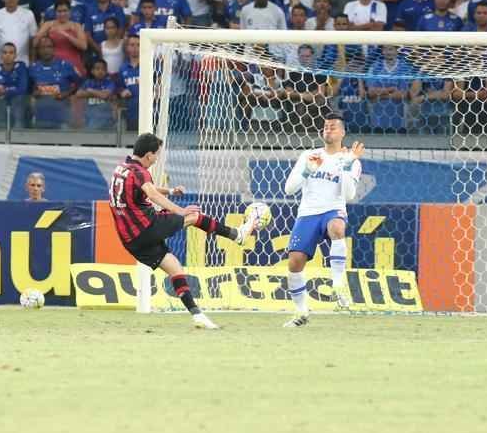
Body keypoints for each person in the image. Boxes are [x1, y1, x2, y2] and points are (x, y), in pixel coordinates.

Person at [110, 133, 261, 330]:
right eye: (156, 155)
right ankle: (237, 235)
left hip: (131, 240)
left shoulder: (122, 168)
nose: (157, 159)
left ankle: (197, 315)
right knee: (194, 216)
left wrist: (171, 191)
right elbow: (152, 193)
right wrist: (180, 210)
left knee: (175, 268)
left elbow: (146, 188)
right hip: (146, 227)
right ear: (148, 155)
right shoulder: (140, 172)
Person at [281, 112, 364, 327]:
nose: (328, 130)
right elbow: (289, 189)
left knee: (337, 227)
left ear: (343, 132)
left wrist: (346, 166)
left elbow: (348, 196)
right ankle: (301, 312)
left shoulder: (351, 160)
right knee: (294, 262)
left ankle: (338, 284)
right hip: (308, 213)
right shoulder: (309, 155)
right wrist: (308, 170)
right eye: (326, 126)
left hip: (332, 209)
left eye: (333, 127)